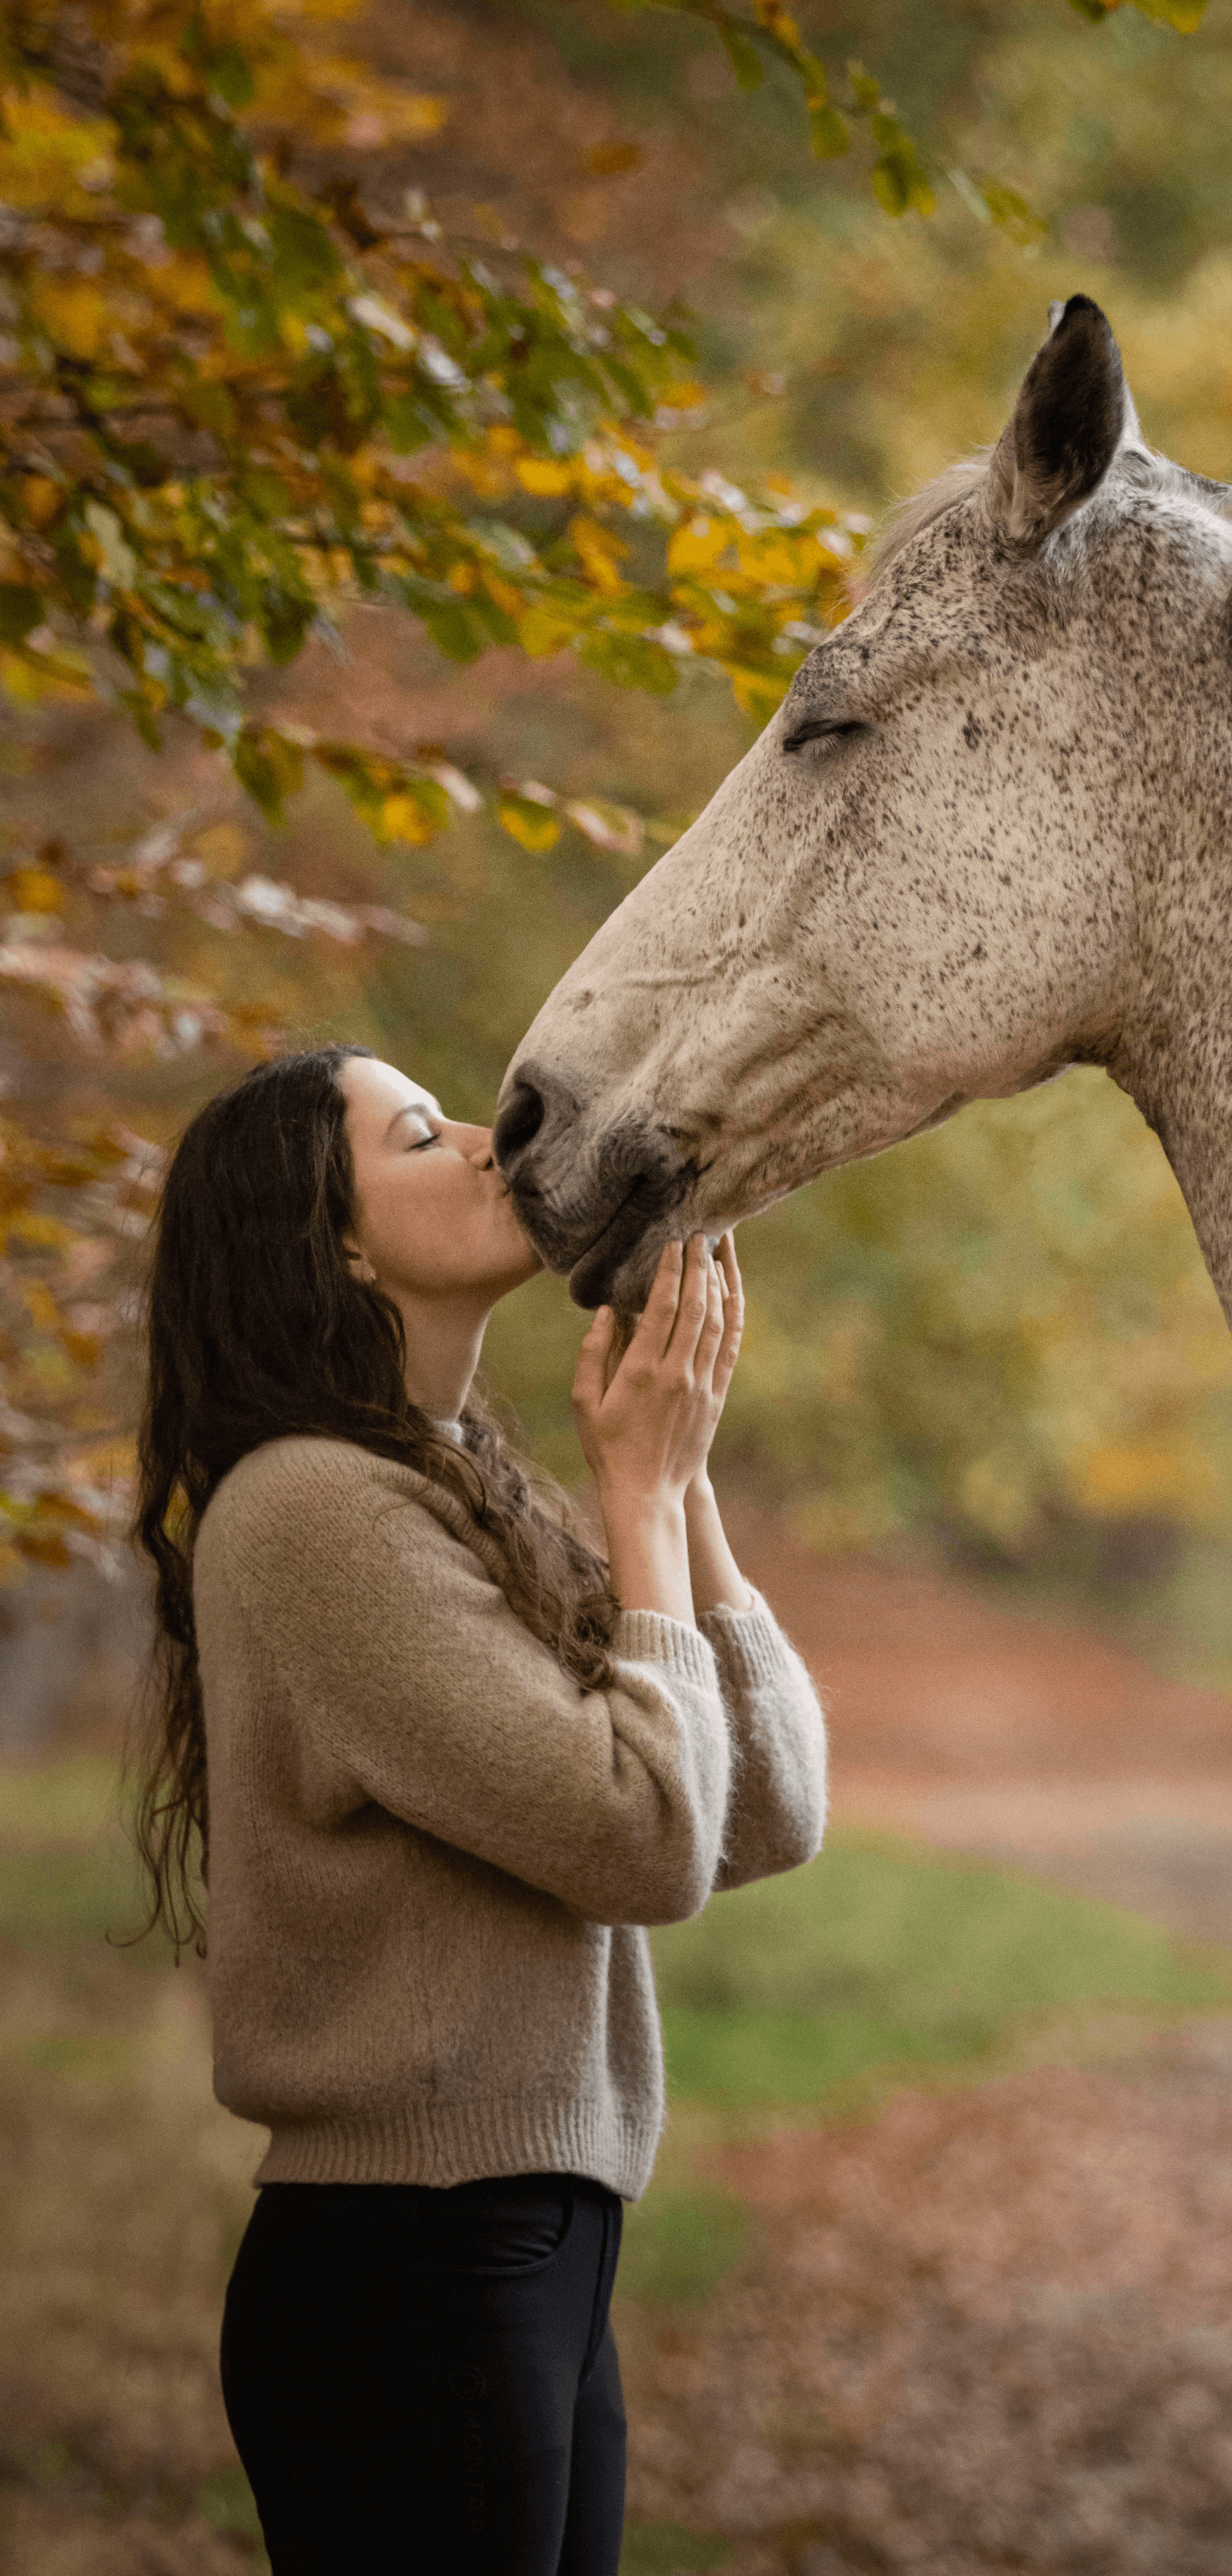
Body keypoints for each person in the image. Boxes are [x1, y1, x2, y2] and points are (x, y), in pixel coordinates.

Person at [131, 1044, 827, 2576]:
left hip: (527, 2249)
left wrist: (683, 1484)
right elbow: (642, 1834)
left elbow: (763, 1807)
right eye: (419, 1133)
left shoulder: (455, 1486)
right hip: (414, 2269)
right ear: (336, 1239)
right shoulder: (312, 1512)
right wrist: (635, 1505)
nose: (480, 1141)